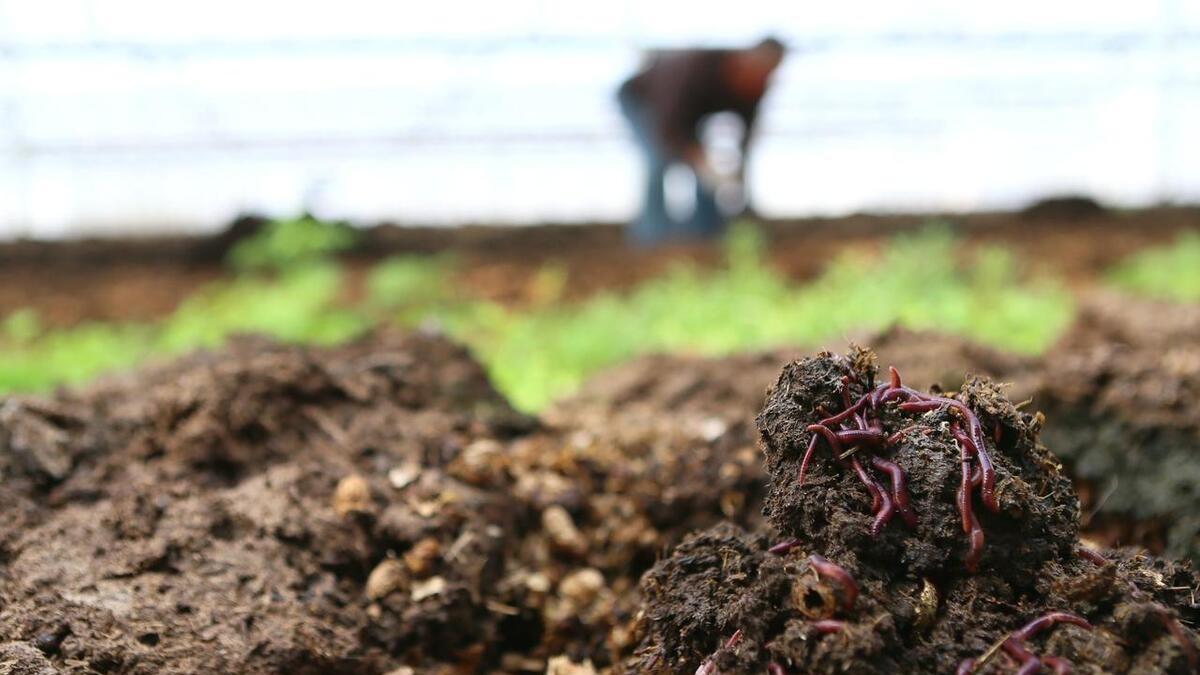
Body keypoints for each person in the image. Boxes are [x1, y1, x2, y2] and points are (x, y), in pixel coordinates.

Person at [617, 37, 786, 246]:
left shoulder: (756, 84)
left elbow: (746, 137)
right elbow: (667, 127)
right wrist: (698, 158)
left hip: (688, 116)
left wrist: (737, 178)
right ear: (743, 62)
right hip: (646, 102)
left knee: (704, 171)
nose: (759, 81)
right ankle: (653, 239)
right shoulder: (700, 68)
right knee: (658, 160)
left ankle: (705, 236)